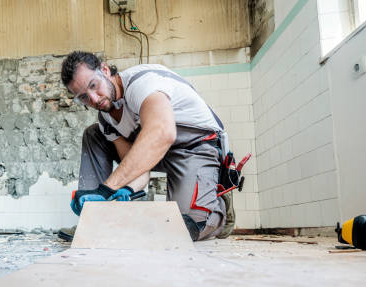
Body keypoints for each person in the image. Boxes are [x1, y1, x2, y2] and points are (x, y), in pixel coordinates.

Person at [59, 51, 235, 241]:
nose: (93, 99)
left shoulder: (143, 83)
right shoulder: (107, 119)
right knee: (95, 134)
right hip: (156, 151)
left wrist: (106, 190)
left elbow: (161, 133)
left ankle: (218, 209)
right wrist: (127, 189)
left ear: (105, 70)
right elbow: (137, 166)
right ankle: (92, 220)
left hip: (195, 145)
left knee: (186, 227)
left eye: (94, 85)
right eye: (84, 97)